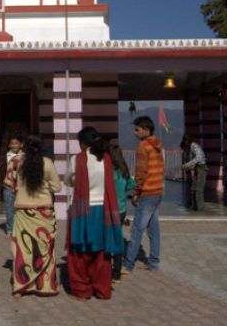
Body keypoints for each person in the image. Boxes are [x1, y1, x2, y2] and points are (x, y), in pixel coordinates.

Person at [64, 126, 123, 300]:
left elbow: (68, 180)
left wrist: (78, 180)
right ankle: (102, 289)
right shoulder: (106, 159)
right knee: (102, 252)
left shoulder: (78, 159)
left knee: (79, 251)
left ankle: (82, 290)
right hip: (104, 208)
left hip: (83, 209)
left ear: (82, 143)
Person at [8, 134, 61, 297]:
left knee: (23, 249)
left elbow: (9, 183)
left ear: (24, 147)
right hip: (43, 212)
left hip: (23, 211)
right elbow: (57, 187)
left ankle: (21, 286)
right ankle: (45, 286)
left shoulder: (16, 162)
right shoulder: (48, 163)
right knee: (45, 248)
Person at [122, 116, 165, 274]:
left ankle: (128, 265)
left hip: (147, 193)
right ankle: (153, 262)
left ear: (146, 130)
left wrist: (136, 193)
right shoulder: (158, 145)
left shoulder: (143, 146)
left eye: (137, 129)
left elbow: (140, 173)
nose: (135, 132)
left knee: (137, 230)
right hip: (157, 191)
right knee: (154, 230)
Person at [108, 144, 136, 282]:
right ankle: (117, 273)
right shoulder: (124, 171)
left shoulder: (108, 172)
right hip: (122, 210)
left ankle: (107, 269)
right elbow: (132, 185)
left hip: (109, 210)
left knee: (107, 240)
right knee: (118, 240)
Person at [0, 132, 23, 235]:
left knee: (20, 209)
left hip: (20, 187)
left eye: (16, 143)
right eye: (12, 143)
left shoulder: (24, 157)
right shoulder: (6, 156)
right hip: (8, 186)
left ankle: (20, 228)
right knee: (9, 208)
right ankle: (10, 229)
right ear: (9, 145)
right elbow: (1, 168)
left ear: (22, 145)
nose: (14, 145)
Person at [182, 133, 207, 211]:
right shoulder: (191, 148)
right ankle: (194, 206)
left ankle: (200, 207)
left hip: (201, 168)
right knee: (193, 188)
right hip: (197, 168)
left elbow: (198, 158)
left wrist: (187, 165)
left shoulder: (194, 146)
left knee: (199, 189)